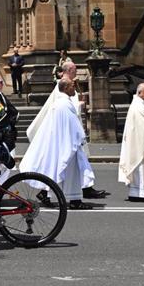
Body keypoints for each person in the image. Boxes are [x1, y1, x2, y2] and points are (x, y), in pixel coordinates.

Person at [27, 60, 108, 199]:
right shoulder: (63, 86)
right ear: (69, 70)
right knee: (66, 165)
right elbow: (63, 108)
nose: (76, 72)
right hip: (65, 133)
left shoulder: (68, 85)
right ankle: (68, 191)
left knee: (75, 164)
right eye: (75, 70)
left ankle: (83, 189)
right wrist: (80, 106)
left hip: (70, 130)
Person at [17, 78, 94, 211]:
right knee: (70, 173)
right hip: (68, 144)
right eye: (71, 86)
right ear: (65, 88)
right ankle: (75, 201)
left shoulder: (60, 103)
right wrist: (80, 138)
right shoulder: (64, 104)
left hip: (63, 142)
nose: (74, 88)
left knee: (60, 172)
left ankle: (49, 194)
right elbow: (72, 125)